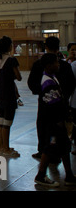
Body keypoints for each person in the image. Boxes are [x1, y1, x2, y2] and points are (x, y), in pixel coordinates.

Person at [28, 37, 75, 160]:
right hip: (61, 103)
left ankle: (42, 150)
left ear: (46, 47)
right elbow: (71, 84)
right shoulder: (65, 65)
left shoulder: (38, 64)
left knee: (43, 126)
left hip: (44, 103)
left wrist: (41, 92)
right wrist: (64, 95)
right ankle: (59, 153)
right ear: (58, 48)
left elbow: (31, 83)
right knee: (60, 129)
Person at [34, 53, 76, 187]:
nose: (59, 64)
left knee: (64, 147)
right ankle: (41, 175)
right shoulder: (47, 82)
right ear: (48, 66)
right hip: (53, 122)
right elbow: (52, 104)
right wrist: (59, 121)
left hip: (58, 121)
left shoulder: (52, 78)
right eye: (56, 63)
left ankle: (69, 175)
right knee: (50, 148)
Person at [0, 36, 22, 158]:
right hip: (9, 93)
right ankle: (6, 148)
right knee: (8, 122)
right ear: (9, 47)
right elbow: (19, 76)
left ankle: (2, 146)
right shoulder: (11, 60)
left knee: (1, 120)